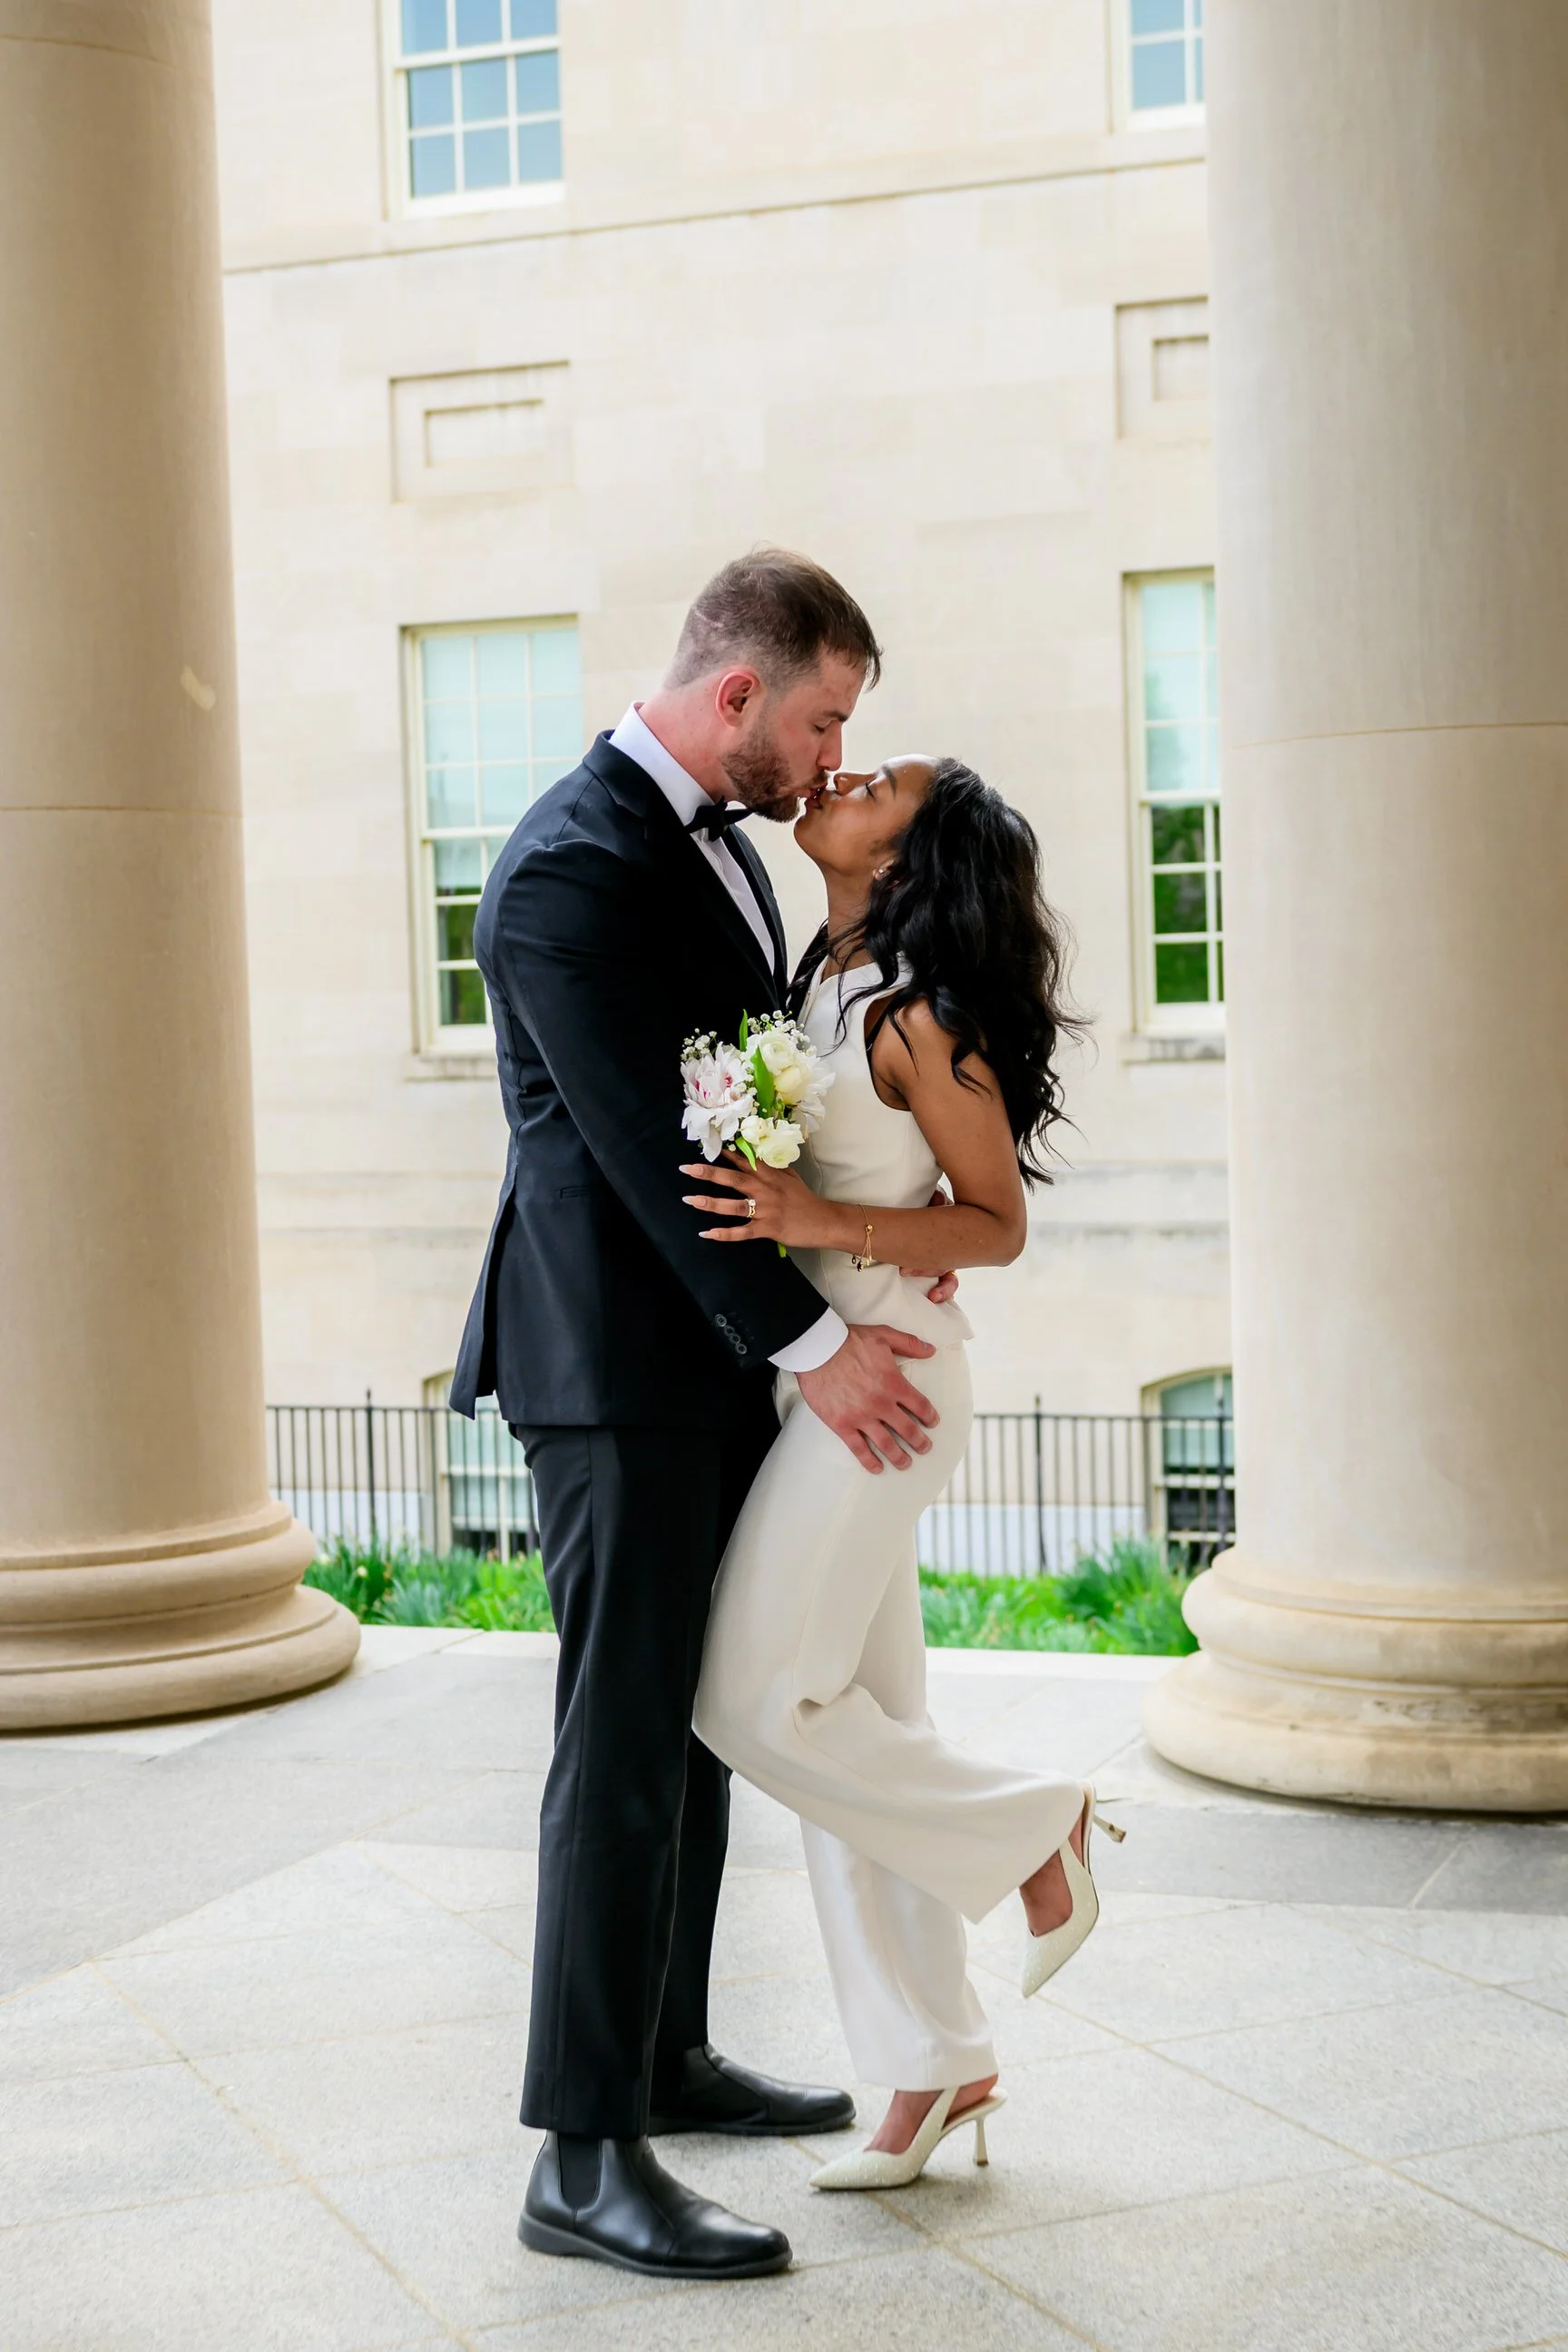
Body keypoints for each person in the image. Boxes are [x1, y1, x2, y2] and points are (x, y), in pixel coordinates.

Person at [452, 551, 958, 2280]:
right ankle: (582, 2154)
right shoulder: (566, 868)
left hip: (710, 1362)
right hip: (611, 1372)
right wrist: (815, 1347)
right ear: (737, 692)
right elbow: (644, 1157)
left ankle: (668, 2055)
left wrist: (857, 1271)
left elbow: (759, 1112)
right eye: (821, 718)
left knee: (689, 1729)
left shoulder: (727, 847)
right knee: (617, 1746)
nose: (831, 757)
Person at [690, 754, 1121, 2190]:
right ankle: (935, 2065)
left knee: (749, 1700)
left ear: (911, 850)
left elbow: (995, 1222)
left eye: (886, 781)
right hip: (820, 1375)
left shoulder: (923, 1013)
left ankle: (1040, 1831)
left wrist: (817, 1220)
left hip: (890, 1387)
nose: (848, 772)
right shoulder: (820, 979)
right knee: (859, 1726)